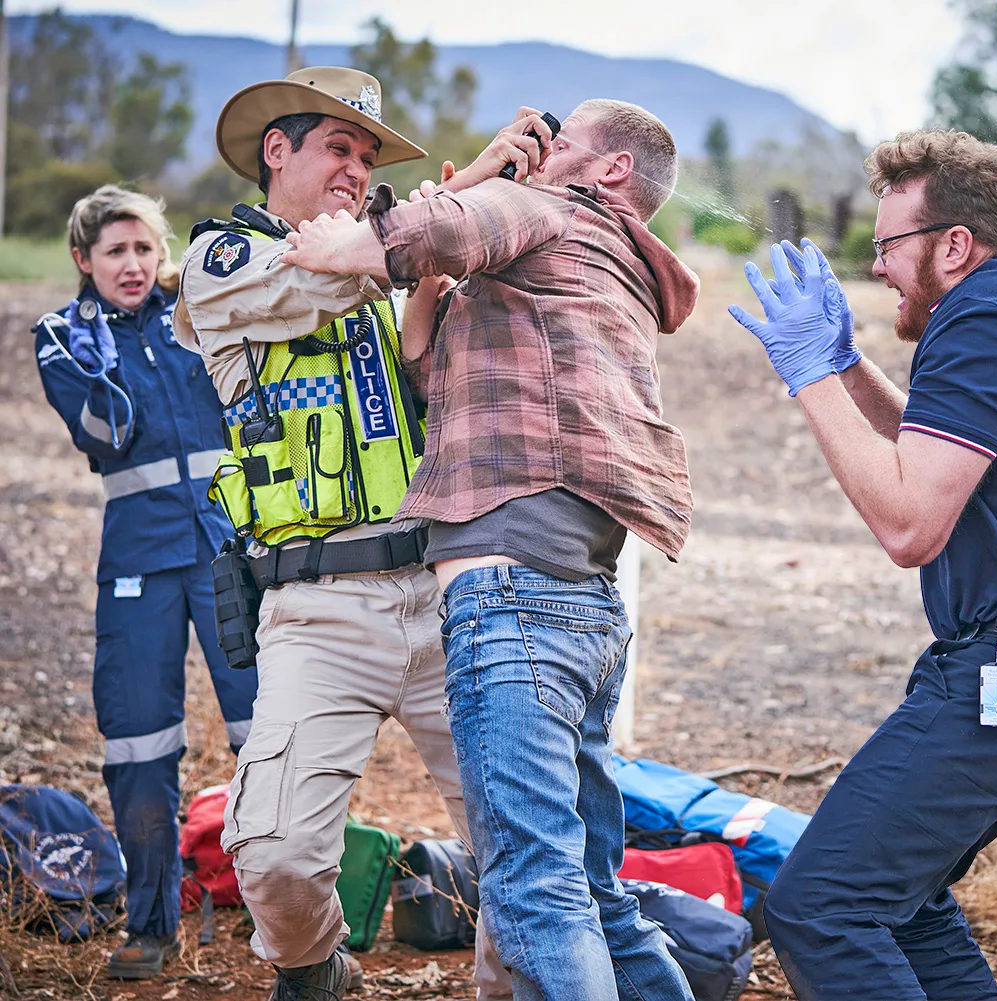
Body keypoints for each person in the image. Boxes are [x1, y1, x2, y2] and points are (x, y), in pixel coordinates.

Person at [729, 129, 997, 1000]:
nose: (880, 267)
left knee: (820, 904)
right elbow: (940, 453)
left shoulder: (985, 316)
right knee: (904, 898)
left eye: (890, 246)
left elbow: (908, 524)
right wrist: (847, 365)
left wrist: (807, 374)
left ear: (955, 245)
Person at [280, 98, 698, 1001]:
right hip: (585, 604)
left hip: (509, 592)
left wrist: (349, 234)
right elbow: (430, 366)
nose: (545, 150)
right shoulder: (607, 264)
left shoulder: (554, 211)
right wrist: (455, 235)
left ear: (612, 169)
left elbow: (397, 239)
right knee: (589, 884)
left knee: (532, 888)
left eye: (566, 138)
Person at [171, 66, 513, 1001]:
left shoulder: (383, 267)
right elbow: (320, 281)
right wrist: (467, 186)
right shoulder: (223, 261)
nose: (357, 168)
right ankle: (316, 965)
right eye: (338, 147)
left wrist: (441, 271)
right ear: (275, 151)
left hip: (446, 587)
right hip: (318, 606)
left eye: (367, 156)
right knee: (276, 856)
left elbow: (419, 376)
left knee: (523, 847)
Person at [33, 185, 257, 980]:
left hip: (232, 546)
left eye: (143, 248)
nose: (132, 265)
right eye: (114, 252)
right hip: (137, 561)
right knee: (138, 743)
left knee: (269, 731)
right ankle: (150, 923)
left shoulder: (198, 311)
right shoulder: (61, 338)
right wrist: (104, 360)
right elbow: (107, 436)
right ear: (82, 260)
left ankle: (292, 915)